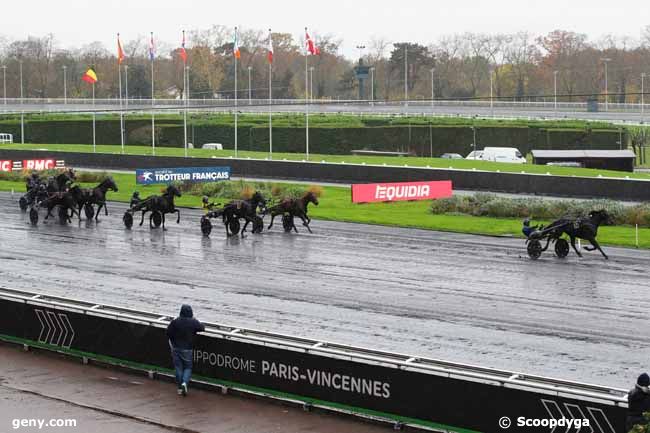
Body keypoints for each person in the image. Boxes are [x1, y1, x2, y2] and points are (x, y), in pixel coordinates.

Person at [166, 305, 205, 396]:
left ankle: (180, 388)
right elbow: (202, 328)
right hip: (187, 349)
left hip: (175, 348)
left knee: (178, 367)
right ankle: (185, 383)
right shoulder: (193, 322)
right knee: (188, 367)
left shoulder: (175, 321)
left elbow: (168, 332)